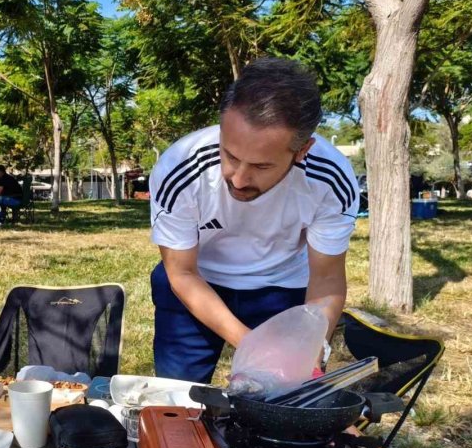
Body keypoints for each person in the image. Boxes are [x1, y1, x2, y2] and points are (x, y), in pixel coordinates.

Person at [149, 58, 359, 384]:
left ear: (302, 150)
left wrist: (312, 351)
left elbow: (327, 282)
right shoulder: (181, 168)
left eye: (261, 166)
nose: (238, 178)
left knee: (284, 403)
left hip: (282, 289)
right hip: (195, 283)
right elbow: (182, 272)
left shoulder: (330, 179)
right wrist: (252, 344)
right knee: (176, 401)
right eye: (230, 155)